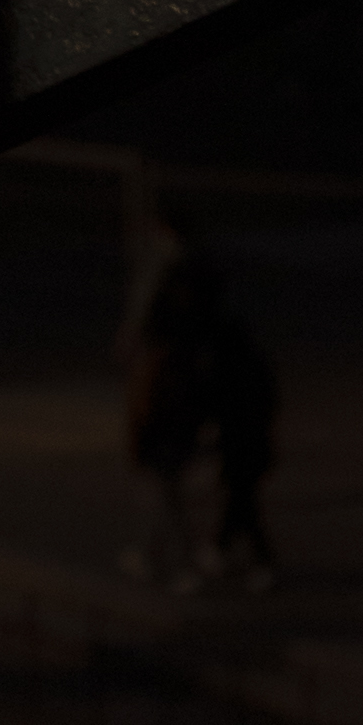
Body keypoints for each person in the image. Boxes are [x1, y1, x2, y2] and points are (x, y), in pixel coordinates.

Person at [124, 207, 280, 582]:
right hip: (215, 429)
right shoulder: (218, 351)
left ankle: (200, 561)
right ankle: (209, 555)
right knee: (214, 497)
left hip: (191, 430)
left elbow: (155, 408)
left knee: (180, 495)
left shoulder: (180, 361)